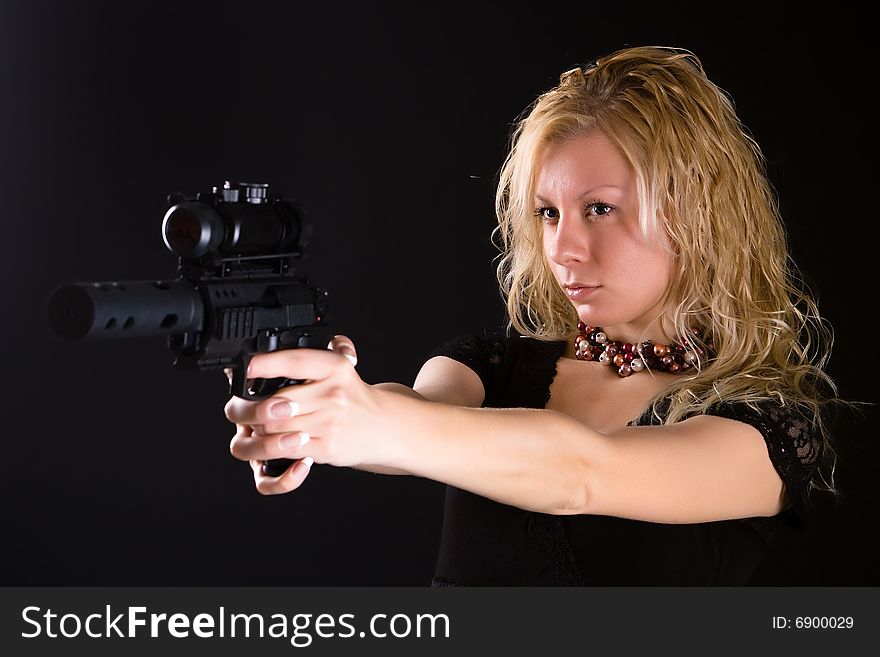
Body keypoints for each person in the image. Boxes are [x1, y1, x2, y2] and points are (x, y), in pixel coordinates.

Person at [223, 45, 841, 585]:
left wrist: (365, 419)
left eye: (598, 208)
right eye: (548, 212)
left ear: (696, 213)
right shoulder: (491, 366)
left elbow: (582, 475)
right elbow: (419, 418)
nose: (562, 247)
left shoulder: (768, 431)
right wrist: (311, 411)